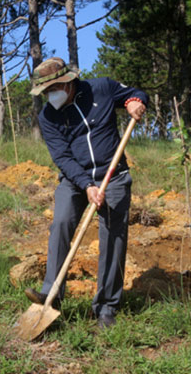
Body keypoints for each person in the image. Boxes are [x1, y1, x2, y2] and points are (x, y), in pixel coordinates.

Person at [26, 57, 148, 329]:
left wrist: (135, 103)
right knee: (60, 223)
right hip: (74, 179)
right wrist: (87, 185)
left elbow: (136, 94)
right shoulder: (48, 115)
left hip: (113, 176)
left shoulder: (102, 89)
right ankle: (51, 294)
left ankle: (106, 307)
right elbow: (62, 157)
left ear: (67, 83)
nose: (49, 96)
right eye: (45, 92)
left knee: (113, 238)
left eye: (52, 89)